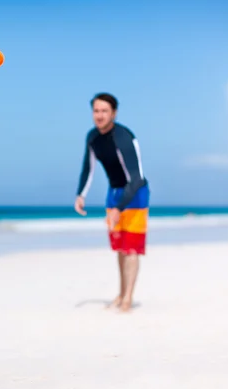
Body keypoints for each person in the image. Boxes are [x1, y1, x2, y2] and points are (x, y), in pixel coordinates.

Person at [74, 92, 149, 313]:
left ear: (114, 113)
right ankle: (121, 292)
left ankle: (128, 298)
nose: (100, 115)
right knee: (120, 248)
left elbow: (137, 179)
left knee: (131, 249)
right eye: (96, 111)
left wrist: (119, 207)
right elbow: (88, 167)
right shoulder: (92, 138)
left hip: (135, 195)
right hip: (114, 194)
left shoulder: (124, 138)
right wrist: (81, 194)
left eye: (104, 111)